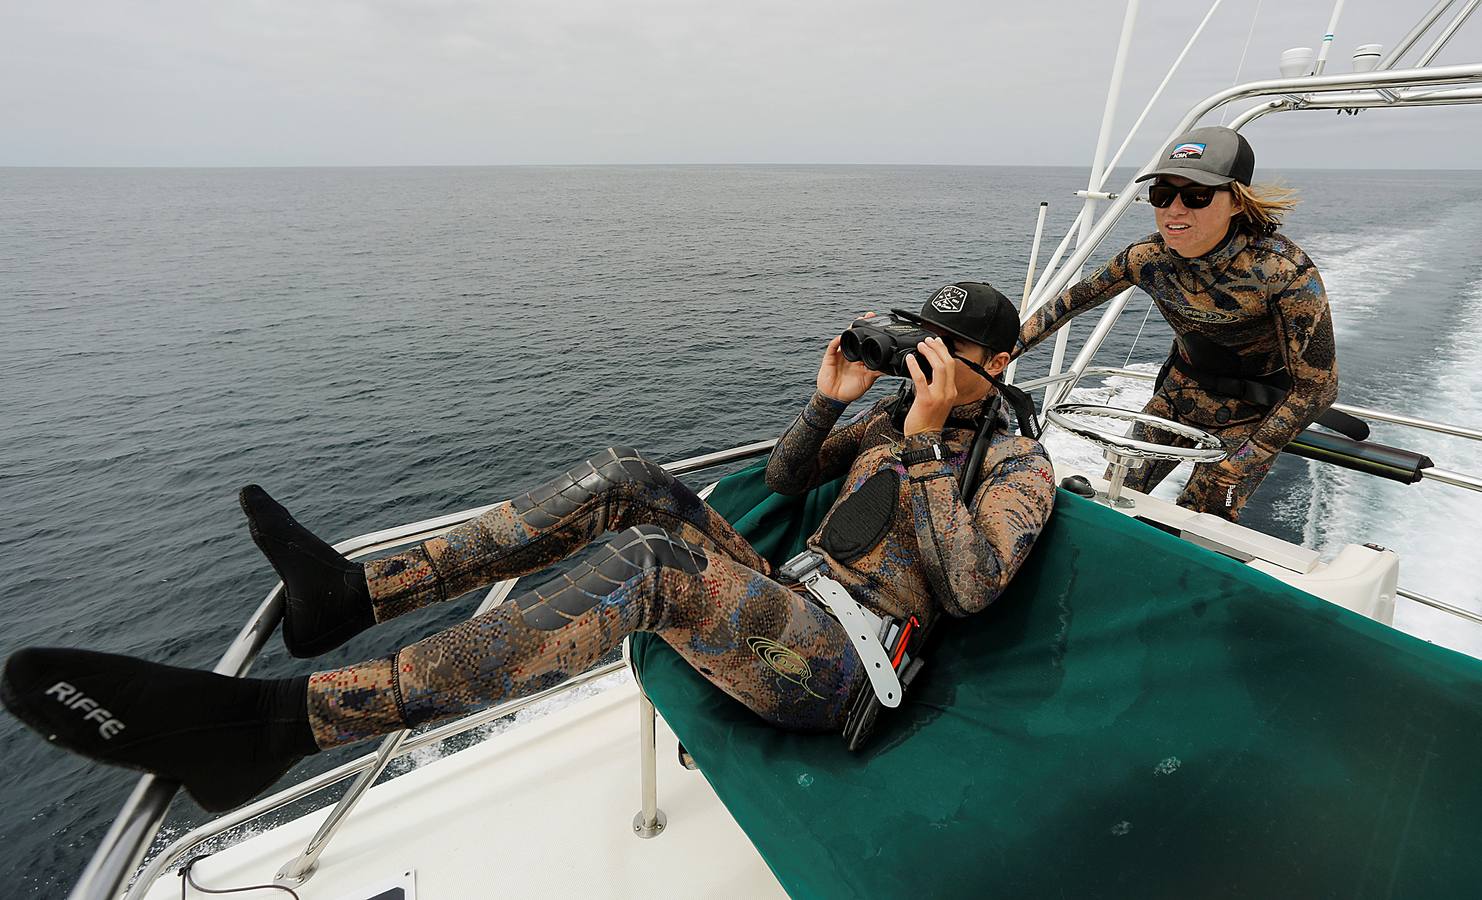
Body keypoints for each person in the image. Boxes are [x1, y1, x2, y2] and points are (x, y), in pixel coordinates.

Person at [1, 283, 1056, 813]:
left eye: (945, 352)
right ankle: (353, 593)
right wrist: (830, 405)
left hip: (844, 672)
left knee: (653, 565)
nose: (921, 360)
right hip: (790, 597)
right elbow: (784, 486)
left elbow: (968, 587)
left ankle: (284, 725)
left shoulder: (1015, 470)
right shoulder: (895, 422)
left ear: (999, 361)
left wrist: (920, 452)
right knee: (626, 477)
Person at [1014, 125, 1340, 521]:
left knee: (1195, 524)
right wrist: (1000, 352)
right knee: (1109, 502)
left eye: (1197, 196)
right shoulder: (1148, 259)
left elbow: (1318, 388)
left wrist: (1245, 459)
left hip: (1250, 418)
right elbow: (1066, 305)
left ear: (1237, 201)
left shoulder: (1282, 272)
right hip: (1176, 399)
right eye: (1162, 194)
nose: (1174, 209)